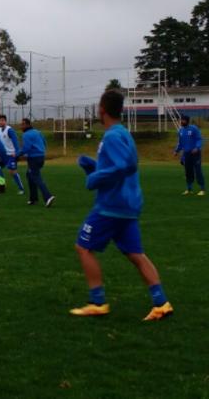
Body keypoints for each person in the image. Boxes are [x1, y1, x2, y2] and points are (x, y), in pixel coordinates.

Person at [71, 90, 173, 320]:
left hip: (111, 206)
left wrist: (95, 178)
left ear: (102, 109)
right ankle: (161, 303)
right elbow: (119, 165)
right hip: (128, 204)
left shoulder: (112, 136)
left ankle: (97, 302)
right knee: (136, 254)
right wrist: (94, 167)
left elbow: (126, 166)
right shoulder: (122, 133)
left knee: (83, 247)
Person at [18, 118, 55, 207]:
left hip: (33, 158)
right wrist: (41, 151)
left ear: (27, 125)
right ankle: (33, 199)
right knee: (29, 175)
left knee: (35, 176)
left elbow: (26, 148)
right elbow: (44, 142)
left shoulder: (26, 135)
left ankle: (48, 196)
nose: (21, 126)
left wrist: (17, 154)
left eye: (22, 124)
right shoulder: (38, 132)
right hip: (41, 157)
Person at [174, 115, 205, 196]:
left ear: (187, 121)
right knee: (188, 172)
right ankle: (189, 189)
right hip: (186, 154)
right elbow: (180, 143)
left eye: (182, 120)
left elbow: (199, 139)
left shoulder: (194, 128)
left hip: (195, 154)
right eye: (181, 120)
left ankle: (202, 189)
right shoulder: (180, 131)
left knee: (198, 171)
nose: (181, 122)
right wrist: (176, 151)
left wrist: (197, 148)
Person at [0, 114, 26, 195]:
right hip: (3, 155)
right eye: (0, 120)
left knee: (12, 172)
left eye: (3, 120)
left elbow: (15, 141)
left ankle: (21, 189)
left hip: (11, 155)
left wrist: (17, 153)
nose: (1, 122)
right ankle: (1, 188)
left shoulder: (10, 130)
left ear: (5, 121)